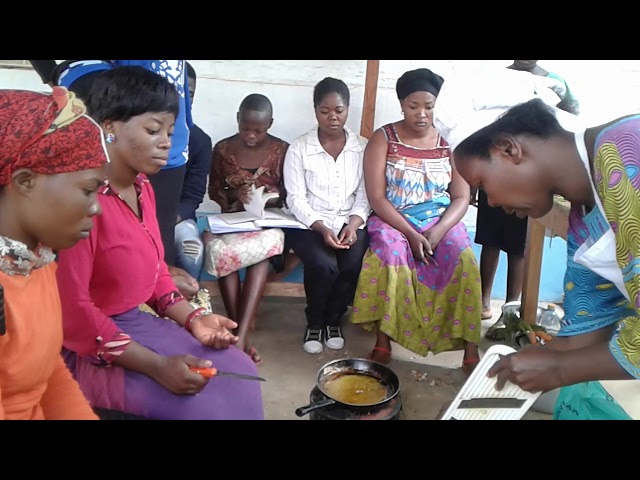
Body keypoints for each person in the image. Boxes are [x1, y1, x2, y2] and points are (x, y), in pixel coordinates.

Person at [55, 66, 264, 420]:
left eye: (169, 130)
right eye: (153, 130)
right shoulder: (85, 205)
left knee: (241, 371)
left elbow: (155, 273)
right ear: (109, 127)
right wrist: (156, 366)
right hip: (92, 344)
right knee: (206, 407)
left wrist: (194, 319)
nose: (166, 141)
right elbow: (74, 312)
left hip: (135, 323)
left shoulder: (142, 189)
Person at [433, 67, 640, 418]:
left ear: (509, 148)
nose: (492, 202)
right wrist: (541, 358)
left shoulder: (628, 150)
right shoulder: (583, 215)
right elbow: (587, 328)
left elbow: (570, 362)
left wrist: (559, 370)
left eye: (482, 186)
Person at [350, 68, 482, 373]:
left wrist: (439, 230)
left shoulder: (451, 141)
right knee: (389, 254)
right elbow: (377, 197)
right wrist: (410, 233)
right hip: (394, 218)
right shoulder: (384, 138)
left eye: (429, 106)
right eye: (413, 106)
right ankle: (383, 340)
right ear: (401, 105)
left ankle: (470, 346)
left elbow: (461, 197)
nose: (421, 114)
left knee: (463, 257)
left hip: (439, 219)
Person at [0, 87, 108, 419]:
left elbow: (47, 375)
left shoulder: (37, 263)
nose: (97, 208)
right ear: (25, 181)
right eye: (88, 190)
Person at [477, 60, 579, 325]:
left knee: (519, 245)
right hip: (494, 169)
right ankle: (482, 301)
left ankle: (509, 310)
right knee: (490, 238)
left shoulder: (555, 82)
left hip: (529, 175)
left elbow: (571, 118)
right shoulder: (496, 78)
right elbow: (479, 118)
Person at [284, 77, 370, 355]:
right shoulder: (299, 148)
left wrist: (354, 224)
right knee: (324, 266)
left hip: (349, 220)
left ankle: (333, 320)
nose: (333, 117)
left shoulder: (362, 148)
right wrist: (320, 227)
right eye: (325, 111)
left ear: (348, 109)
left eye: (339, 110)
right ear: (315, 111)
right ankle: (315, 322)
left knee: (351, 264)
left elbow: (365, 193)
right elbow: (295, 198)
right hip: (309, 223)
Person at [208, 93, 288, 365]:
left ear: (270, 124)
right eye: (245, 128)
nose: (251, 135)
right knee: (225, 254)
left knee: (261, 254)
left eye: (259, 130)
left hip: (269, 223)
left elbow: (291, 192)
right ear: (237, 120)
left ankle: (239, 336)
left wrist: (271, 197)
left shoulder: (282, 150)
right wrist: (235, 196)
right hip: (232, 221)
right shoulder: (222, 149)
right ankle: (239, 332)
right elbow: (214, 190)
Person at [174, 61, 213, 280]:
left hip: (178, 218)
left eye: (189, 94)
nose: (183, 101)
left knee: (192, 250)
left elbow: (193, 195)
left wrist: (171, 219)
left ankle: (188, 298)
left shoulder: (199, 141)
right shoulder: (140, 134)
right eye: (177, 92)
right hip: (137, 215)